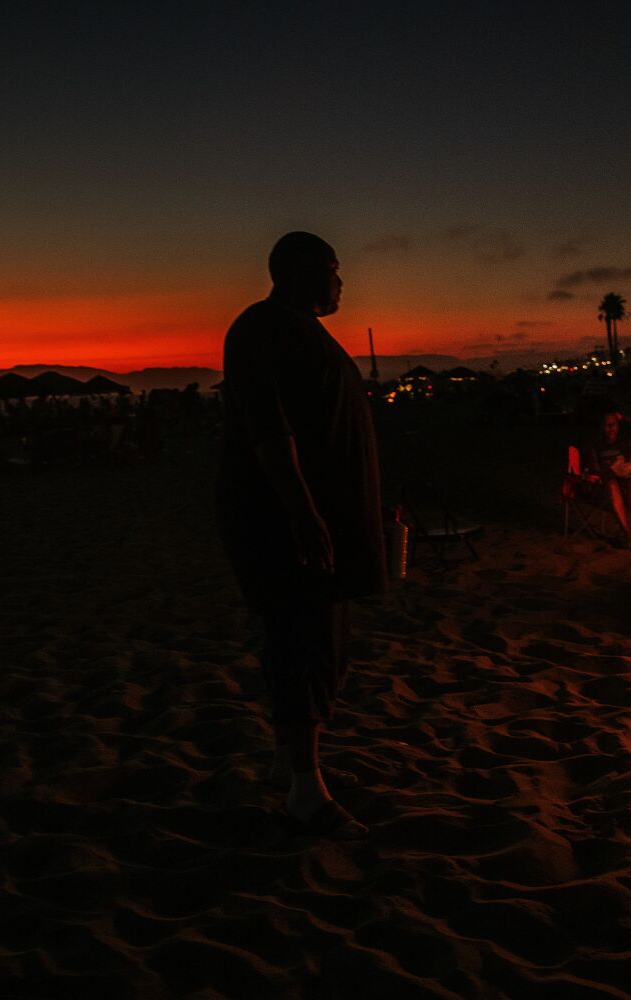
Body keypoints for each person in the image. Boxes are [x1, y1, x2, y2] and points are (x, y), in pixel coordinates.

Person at [217, 233, 384, 837]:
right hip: (281, 519)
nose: (343, 282)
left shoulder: (299, 329)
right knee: (302, 643)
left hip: (320, 519)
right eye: (335, 270)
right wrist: (302, 513)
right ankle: (306, 789)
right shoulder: (260, 327)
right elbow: (269, 428)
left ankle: (288, 761)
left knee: (326, 646)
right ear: (301, 272)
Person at [579, 403, 631, 549]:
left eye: (614, 425)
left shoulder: (627, 441)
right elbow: (595, 469)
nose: (611, 429)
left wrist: (623, 417)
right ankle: (627, 534)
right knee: (612, 485)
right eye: (607, 425)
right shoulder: (596, 445)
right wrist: (610, 468)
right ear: (601, 427)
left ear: (618, 425)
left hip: (629, 483)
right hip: (608, 485)